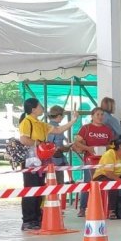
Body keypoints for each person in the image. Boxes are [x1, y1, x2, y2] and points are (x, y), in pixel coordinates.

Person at [19, 98, 78, 230]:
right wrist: (39, 144)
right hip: (31, 160)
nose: (42, 108)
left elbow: (58, 130)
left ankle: (37, 217)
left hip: (42, 160)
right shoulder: (27, 122)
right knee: (31, 189)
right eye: (40, 106)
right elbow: (23, 139)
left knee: (40, 188)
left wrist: (73, 120)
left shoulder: (41, 123)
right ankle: (28, 220)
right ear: (33, 109)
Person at [74, 107, 116, 217]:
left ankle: (109, 209)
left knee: (108, 183)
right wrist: (88, 148)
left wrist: (106, 148)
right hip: (90, 160)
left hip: (105, 161)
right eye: (97, 114)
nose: (100, 117)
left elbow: (111, 144)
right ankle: (83, 208)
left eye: (102, 114)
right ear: (92, 116)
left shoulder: (107, 129)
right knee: (88, 183)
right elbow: (77, 142)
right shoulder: (86, 128)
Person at [93, 134, 121, 220]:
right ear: (120, 146)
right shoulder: (109, 154)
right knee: (113, 185)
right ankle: (111, 210)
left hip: (116, 176)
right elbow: (109, 173)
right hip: (102, 176)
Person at [46, 106, 71, 186]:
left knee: (57, 184)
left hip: (57, 159)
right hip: (54, 161)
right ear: (59, 116)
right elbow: (49, 146)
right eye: (63, 116)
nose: (63, 118)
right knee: (57, 184)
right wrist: (65, 148)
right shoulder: (54, 128)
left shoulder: (50, 126)